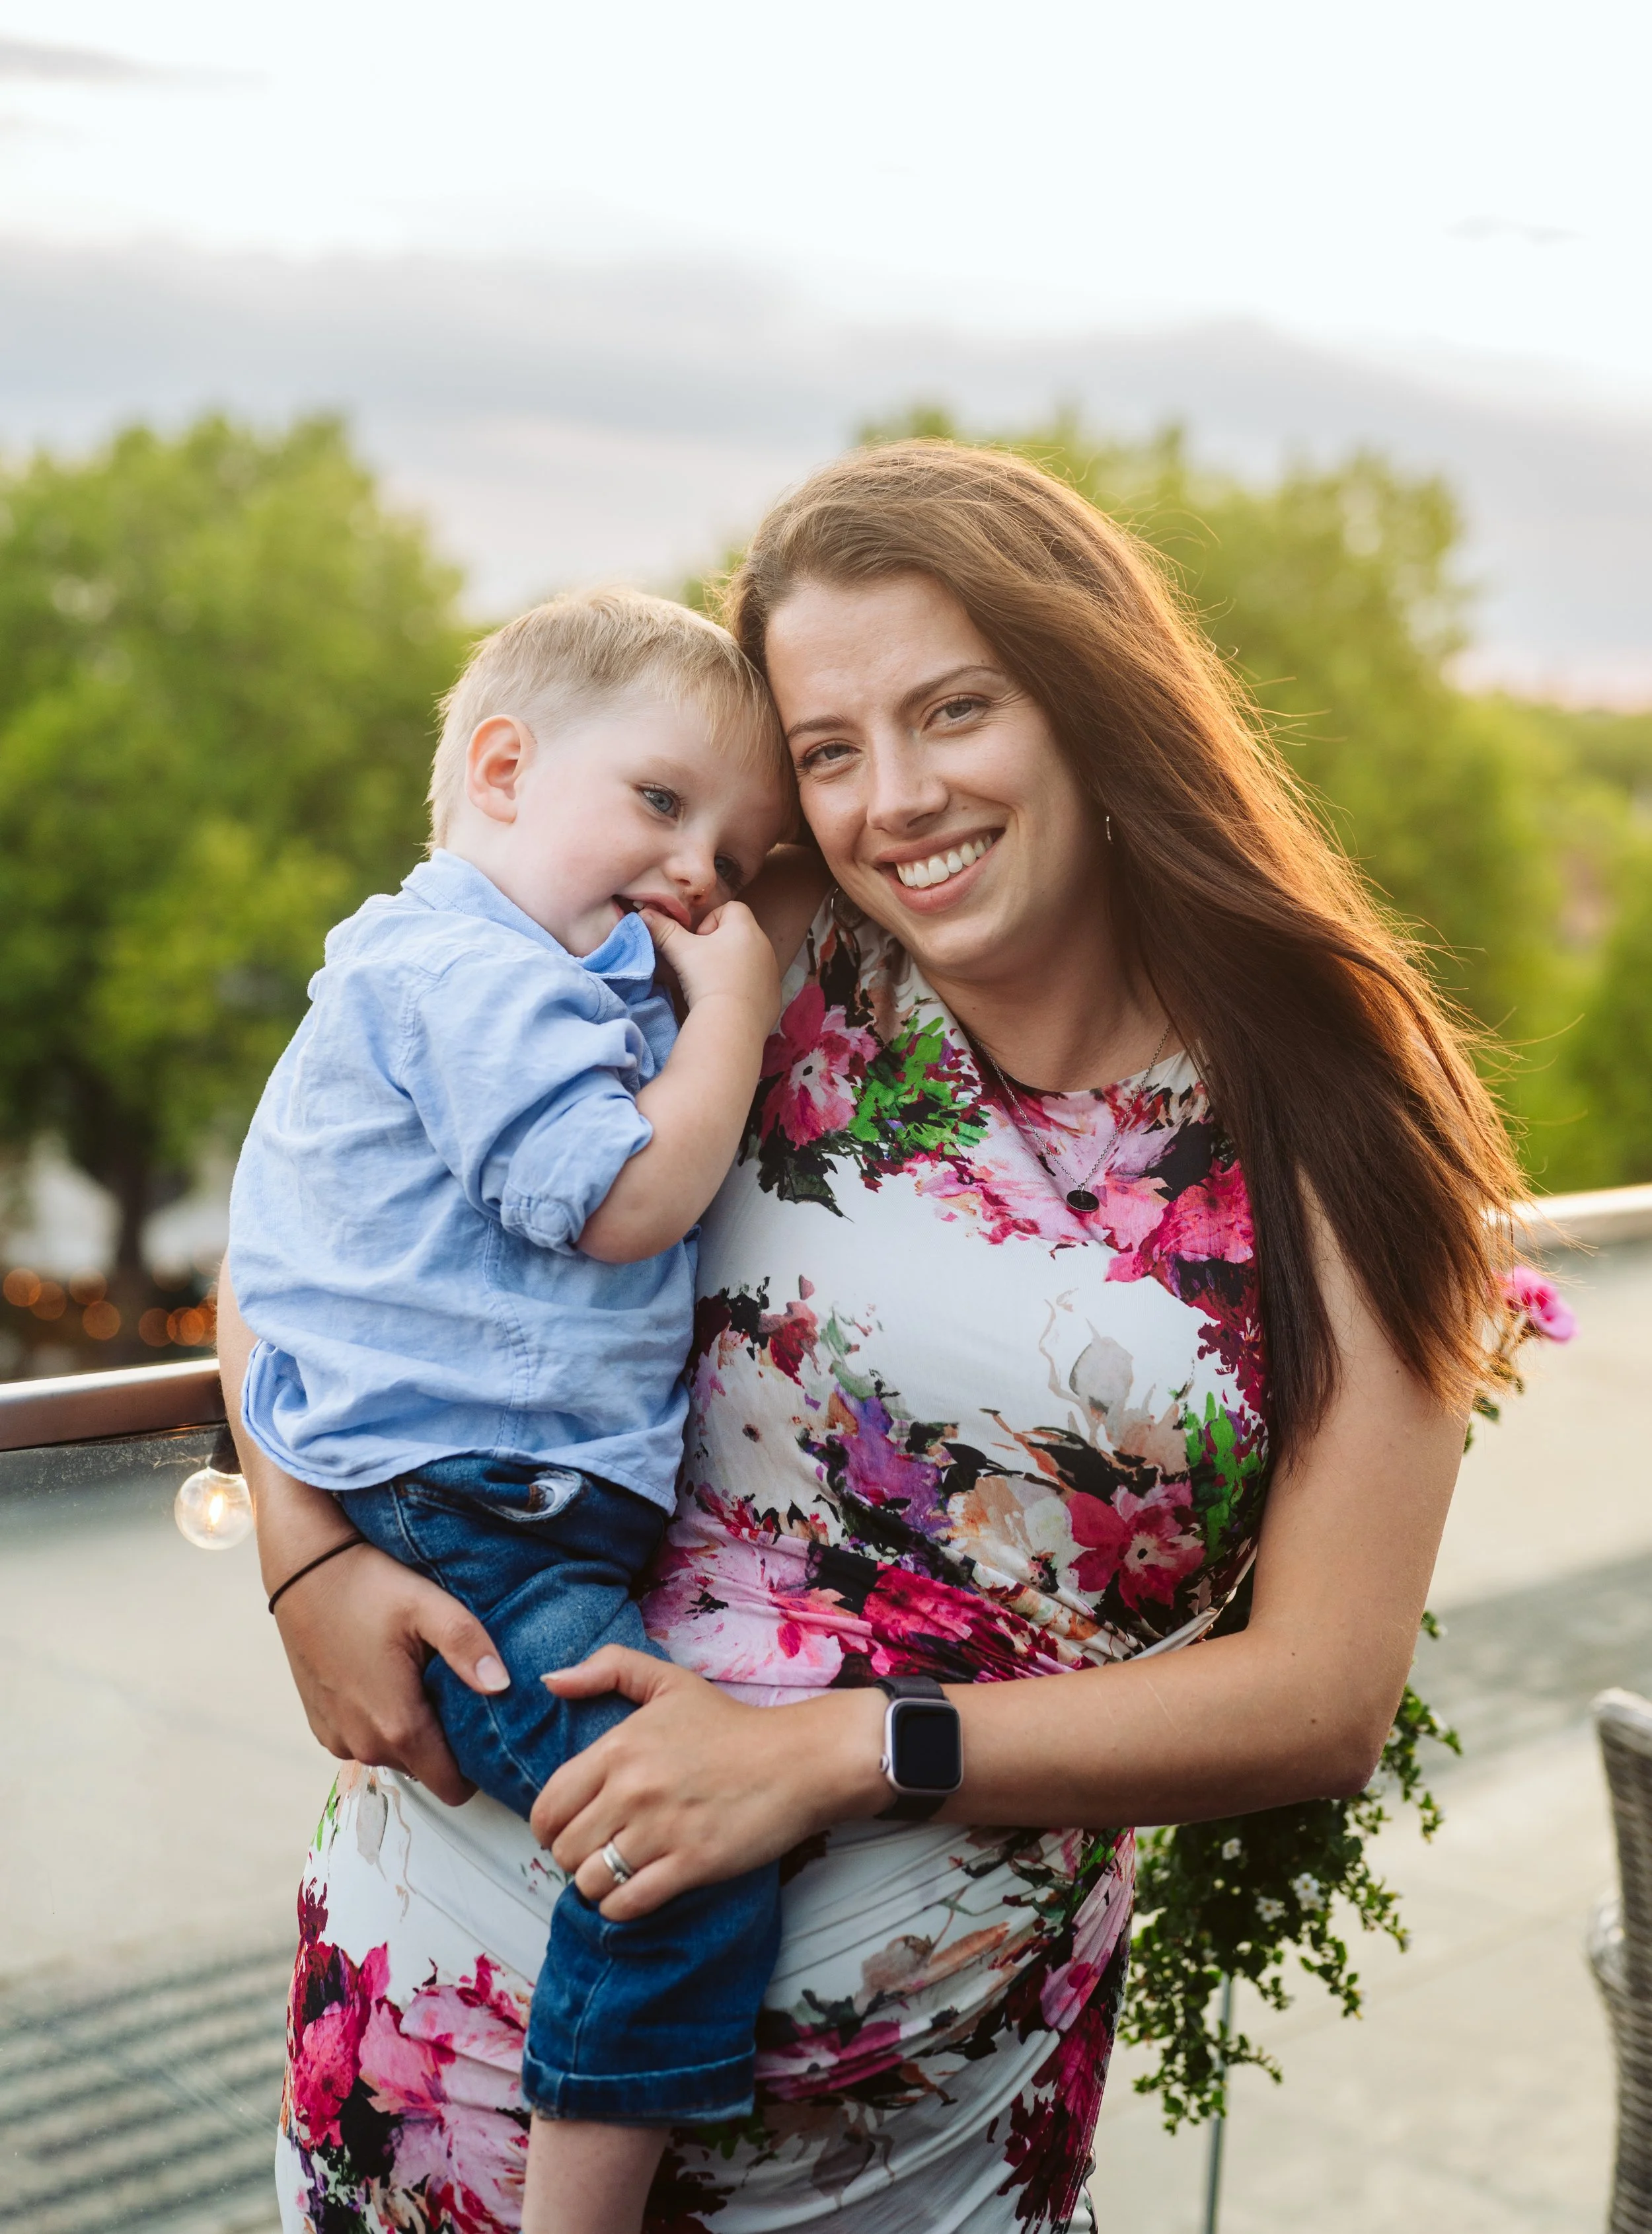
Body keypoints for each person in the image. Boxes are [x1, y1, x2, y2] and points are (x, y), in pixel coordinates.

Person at [219, 441, 1520, 2234]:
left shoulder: (1336, 1104)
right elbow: (319, 1196)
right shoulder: (734, 957)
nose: (893, 798)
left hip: (911, 2152)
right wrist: (303, 1558)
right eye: (827, 750)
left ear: (1087, 699)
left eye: (952, 710)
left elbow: (1321, 1698)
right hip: (437, 2057)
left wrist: (838, 1748)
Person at [227, 589, 807, 2234]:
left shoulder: (518, 971)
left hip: (492, 1503)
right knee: (672, 1856)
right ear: (499, 767)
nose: (701, 874)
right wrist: (738, 1021)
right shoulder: (467, 969)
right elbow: (612, 1198)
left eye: (737, 852)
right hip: (470, 1517)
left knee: (645, 1821)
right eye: (661, 806)